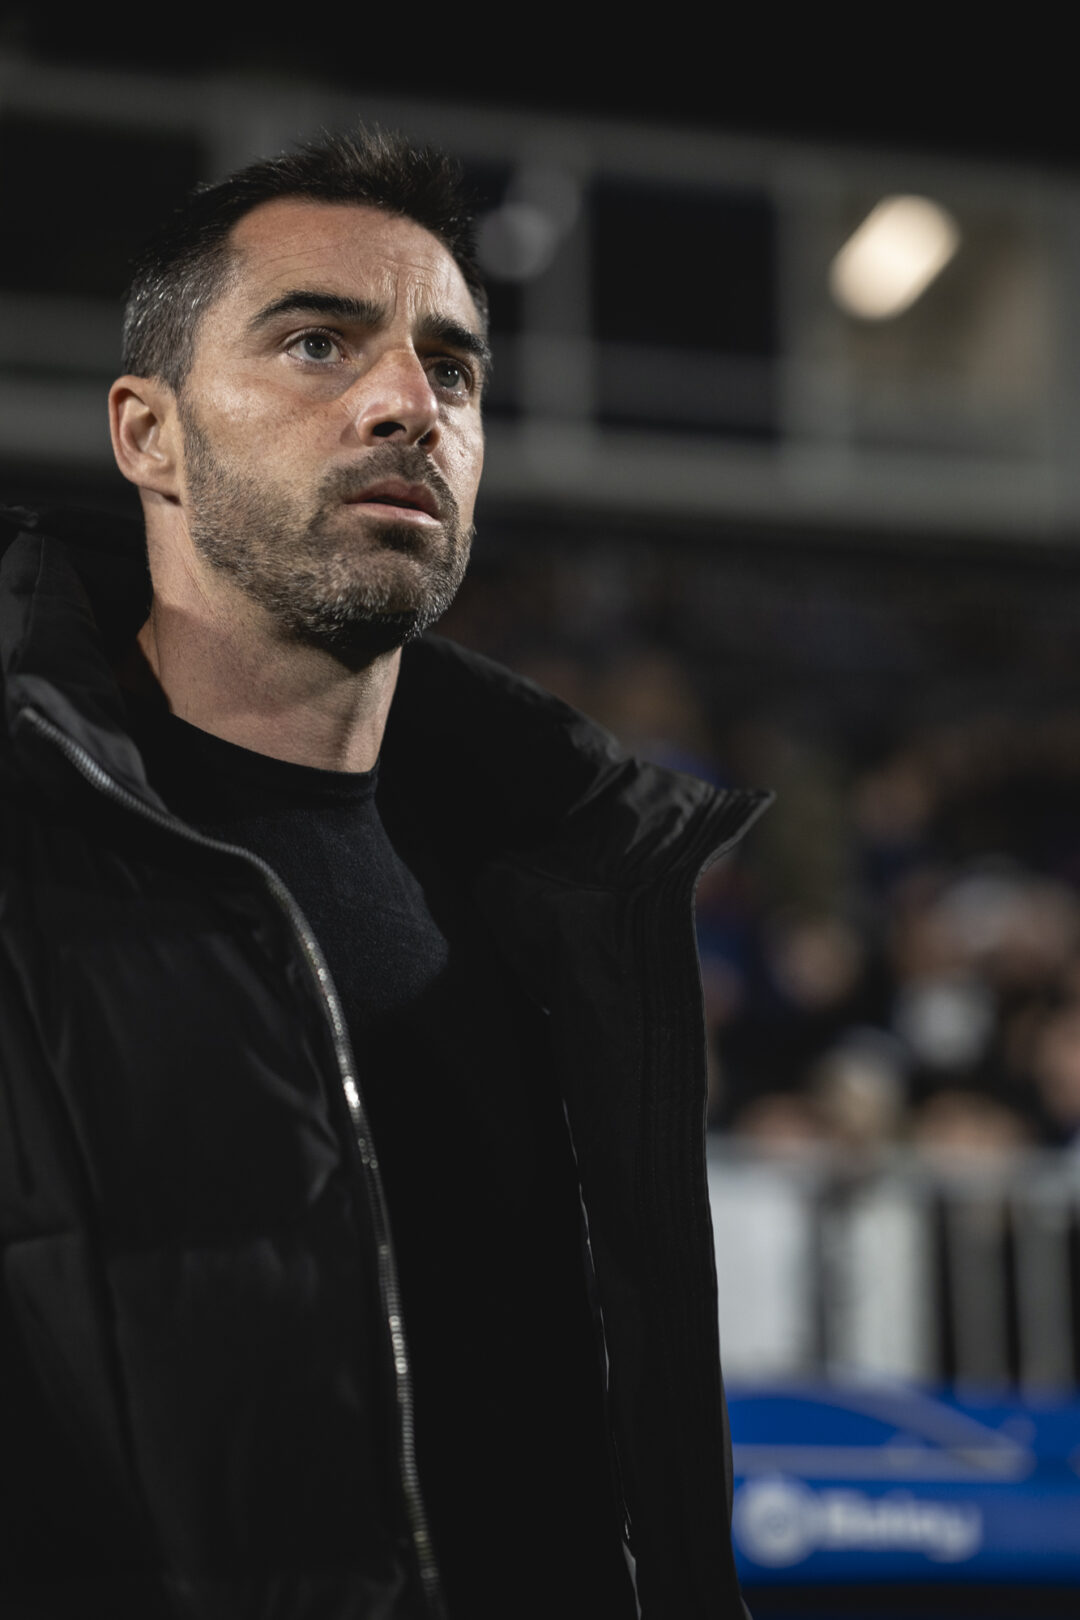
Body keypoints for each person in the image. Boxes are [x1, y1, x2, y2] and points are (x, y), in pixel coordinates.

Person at [0, 127, 768, 1619]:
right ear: (149, 436)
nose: (410, 403)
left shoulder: (567, 883)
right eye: (317, 344)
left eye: (453, 370)